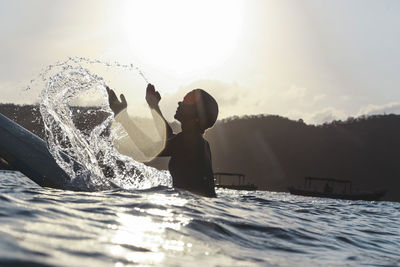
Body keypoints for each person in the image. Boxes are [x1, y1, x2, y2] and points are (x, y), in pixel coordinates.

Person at [107, 84, 218, 197]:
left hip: (196, 209)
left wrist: (123, 116)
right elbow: (168, 136)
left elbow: (149, 149)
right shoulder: (199, 142)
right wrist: (153, 105)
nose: (180, 103)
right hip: (203, 208)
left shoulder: (191, 141)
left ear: (196, 114)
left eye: (187, 102)